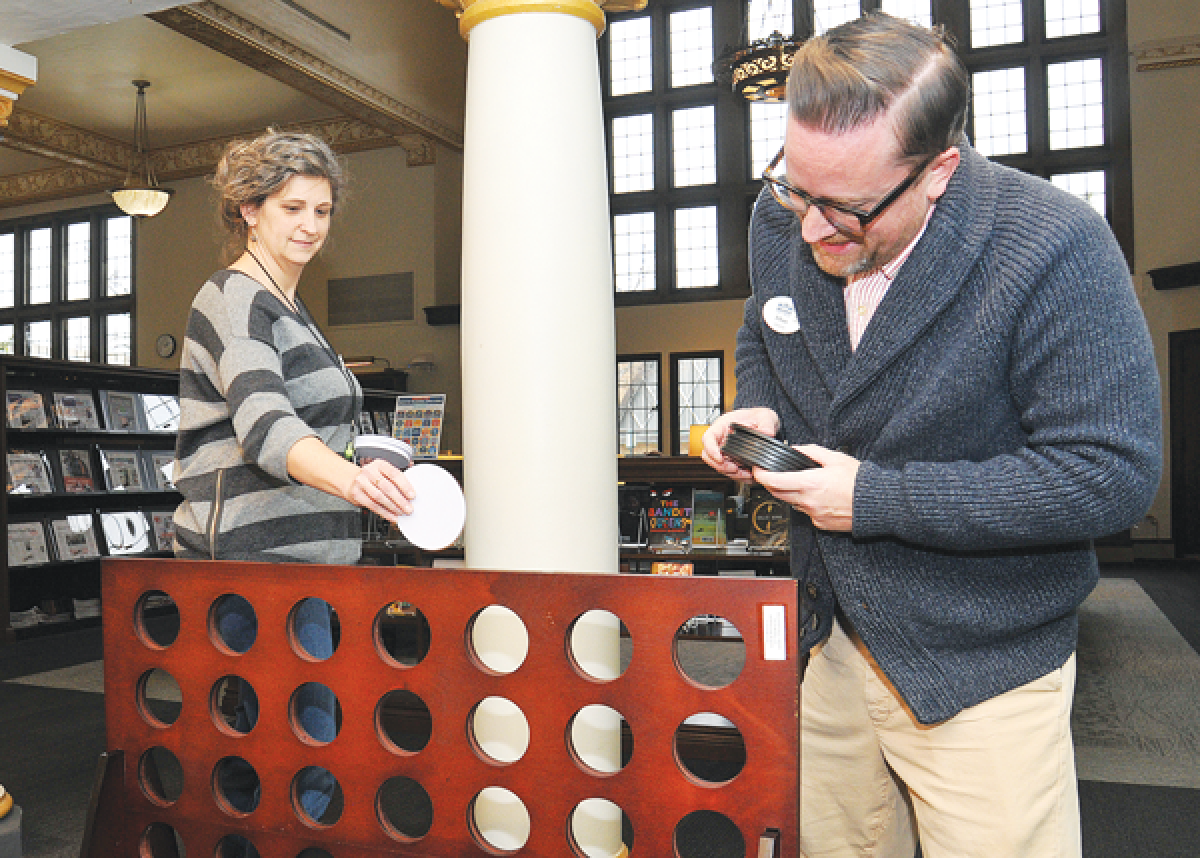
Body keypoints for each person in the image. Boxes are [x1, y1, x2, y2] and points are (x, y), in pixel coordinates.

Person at [702, 13, 1161, 858]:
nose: (809, 227)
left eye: (844, 207)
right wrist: (758, 406)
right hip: (832, 640)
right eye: (795, 187)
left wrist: (872, 498)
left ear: (939, 170)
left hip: (985, 662)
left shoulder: (1053, 244)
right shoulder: (784, 219)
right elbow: (761, 329)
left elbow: (1109, 474)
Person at [172, 129, 416, 826]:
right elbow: (265, 426)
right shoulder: (234, 297)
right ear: (249, 210)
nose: (310, 225)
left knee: (293, 756)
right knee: (294, 760)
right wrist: (353, 483)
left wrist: (370, 462)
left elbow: (318, 427)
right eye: (292, 208)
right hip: (258, 568)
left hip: (311, 565)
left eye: (323, 210)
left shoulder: (288, 304)